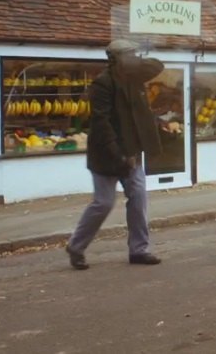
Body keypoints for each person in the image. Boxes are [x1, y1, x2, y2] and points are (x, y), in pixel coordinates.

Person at [65, 39, 164, 270]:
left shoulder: (135, 77)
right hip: (106, 156)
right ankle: (76, 247)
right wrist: (119, 155)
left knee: (138, 199)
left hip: (133, 152)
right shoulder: (102, 84)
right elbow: (101, 124)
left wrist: (137, 58)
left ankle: (139, 250)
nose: (134, 58)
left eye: (135, 54)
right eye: (129, 55)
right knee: (103, 203)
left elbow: (157, 65)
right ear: (115, 59)